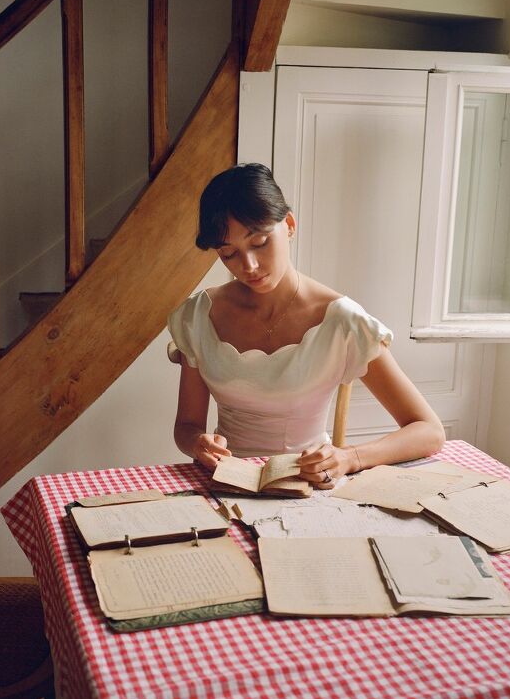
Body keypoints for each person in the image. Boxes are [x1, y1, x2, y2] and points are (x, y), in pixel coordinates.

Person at [168, 163, 445, 489]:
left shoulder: (343, 321)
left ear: (289, 224)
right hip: (227, 485)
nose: (249, 266)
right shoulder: (199, 315)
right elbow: (186, 426)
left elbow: (429, 429)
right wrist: (199, 444)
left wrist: (348, 457)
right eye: (229, 254)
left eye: (259, 242)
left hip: (310, 486)